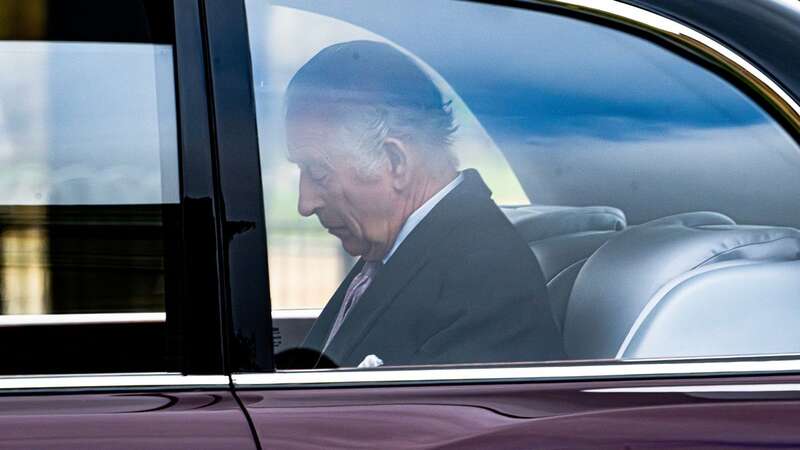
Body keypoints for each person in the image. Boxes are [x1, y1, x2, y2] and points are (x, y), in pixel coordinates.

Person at [285, 40, 564, 368]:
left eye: (318, 172)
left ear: (395, 161)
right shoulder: (399, 250)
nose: (305, 204)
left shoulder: (483, 277)